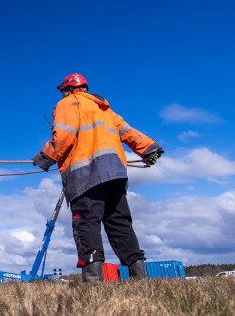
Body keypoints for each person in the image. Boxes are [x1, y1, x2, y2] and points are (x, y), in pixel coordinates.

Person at [32, 73, 164, 282]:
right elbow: (128, 132)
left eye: (63, 91)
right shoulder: (104, 108)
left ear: (68, 89)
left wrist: (45, 157)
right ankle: (140, 278)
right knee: (119, 222)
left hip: (86, 175)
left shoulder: (68, 103)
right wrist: (149, 149)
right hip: (115, 173)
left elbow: (65, 134)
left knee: (86, 222)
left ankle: (93, 282)